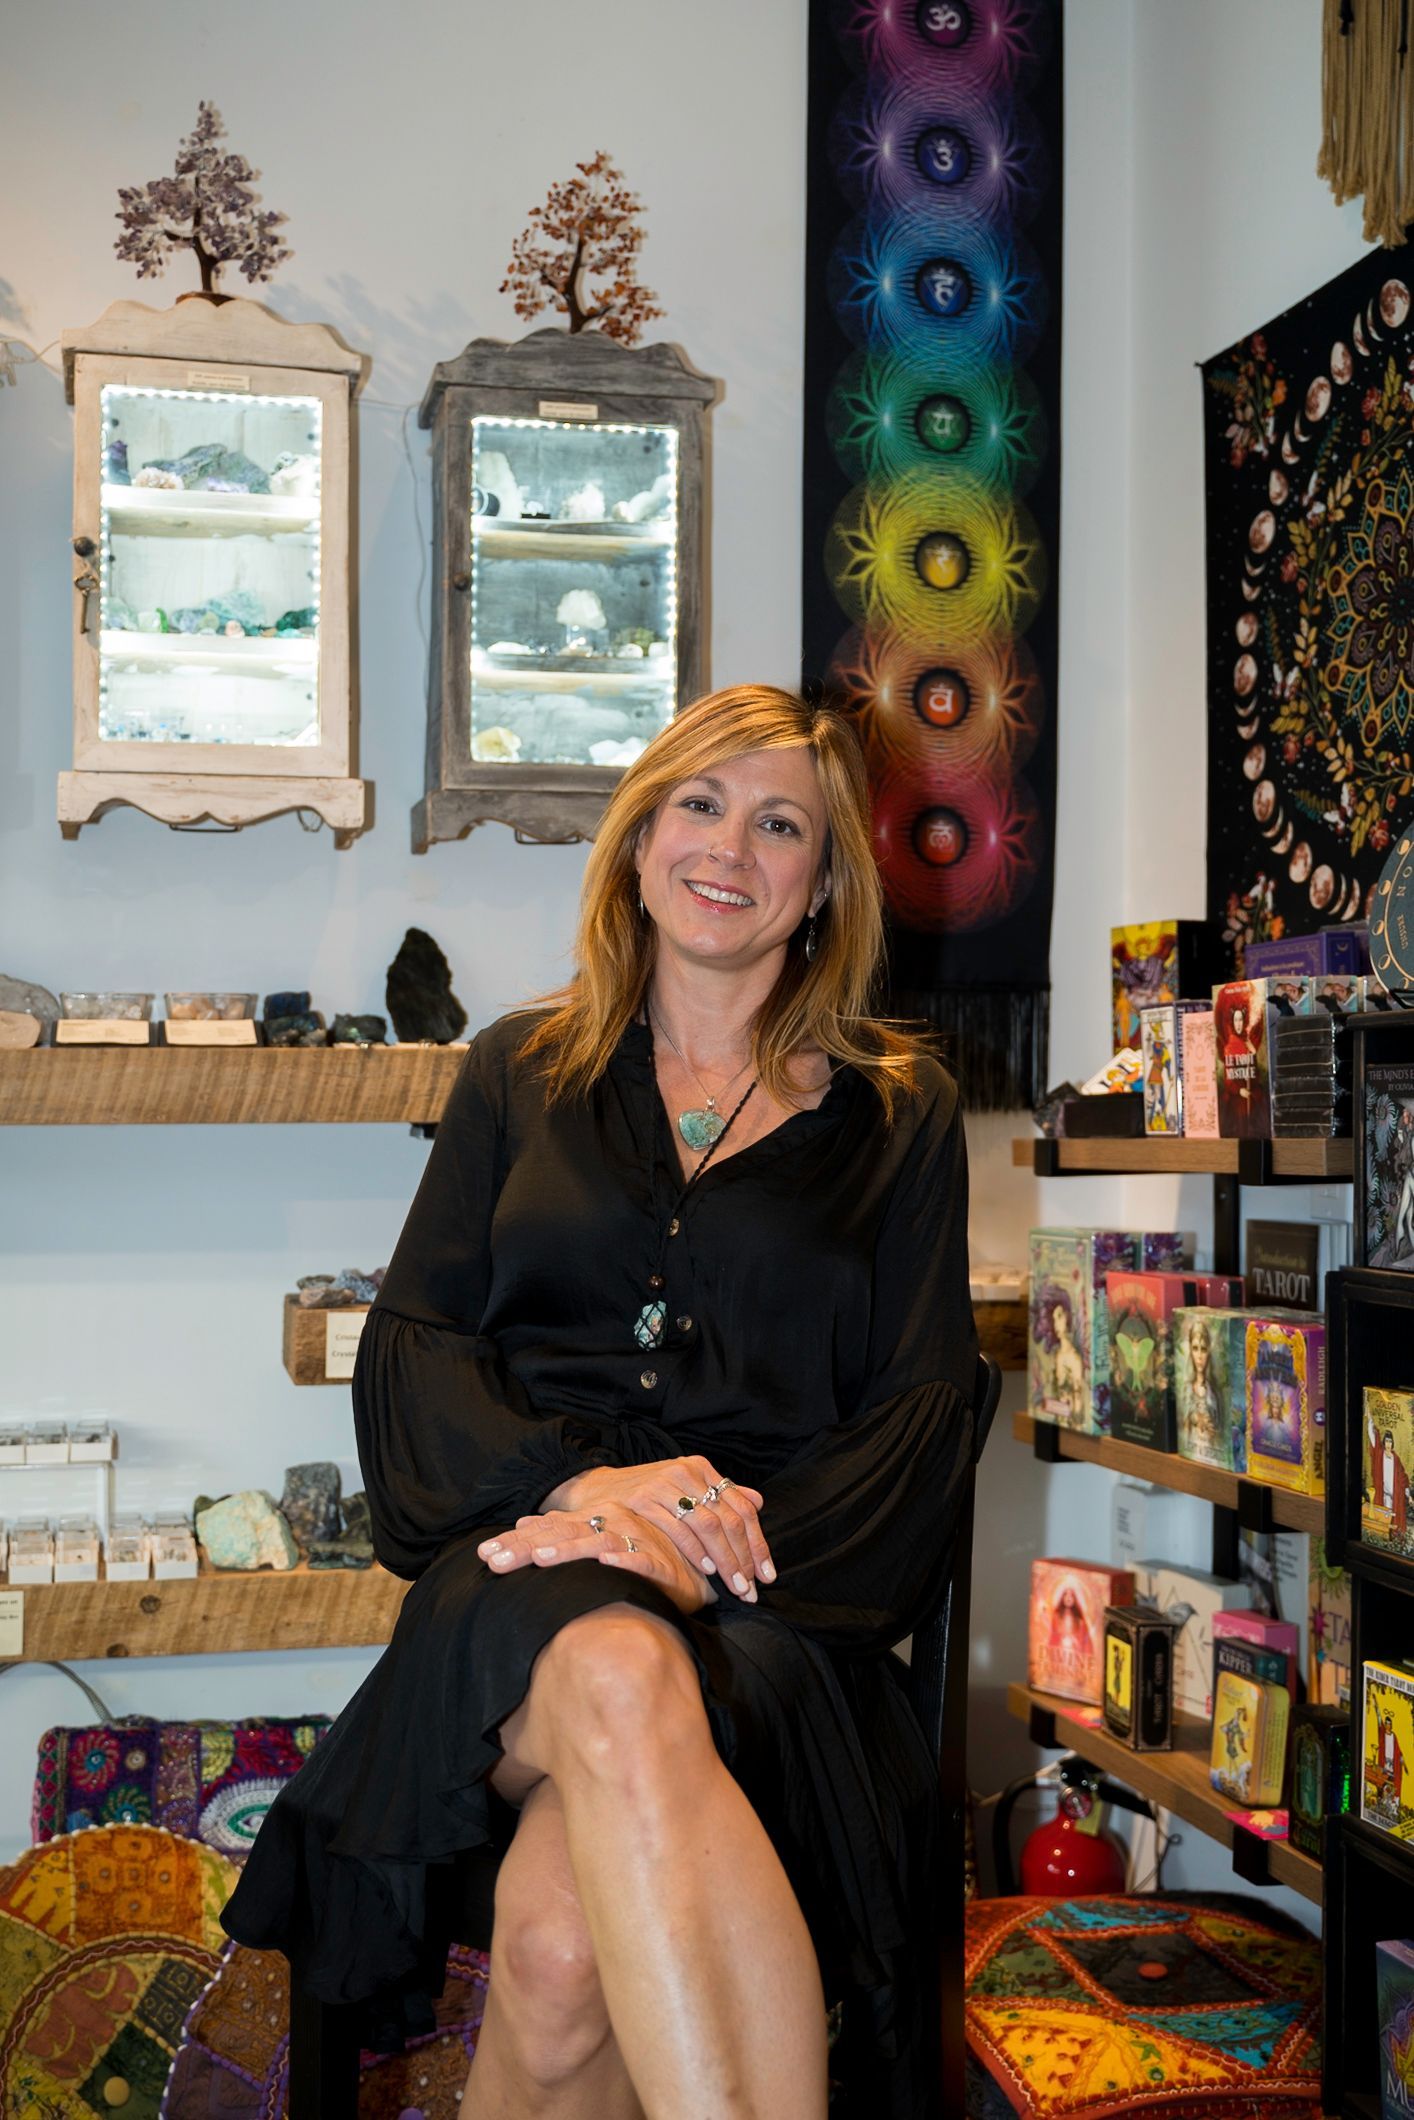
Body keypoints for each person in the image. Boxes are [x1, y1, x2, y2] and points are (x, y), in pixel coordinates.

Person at [222, 685, 978, 2120]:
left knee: (562, 1961)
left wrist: (687, 1550)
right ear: (636, 844)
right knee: (616, 1667)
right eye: (698, 806)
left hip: (777, 1611)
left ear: (821, 885)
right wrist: (585, 1497)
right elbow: (416, 1350)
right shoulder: (519, 1065)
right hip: (523, 1569)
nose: (729, 850)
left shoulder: (899, 1110)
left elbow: (918, 1414)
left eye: (778, 826)